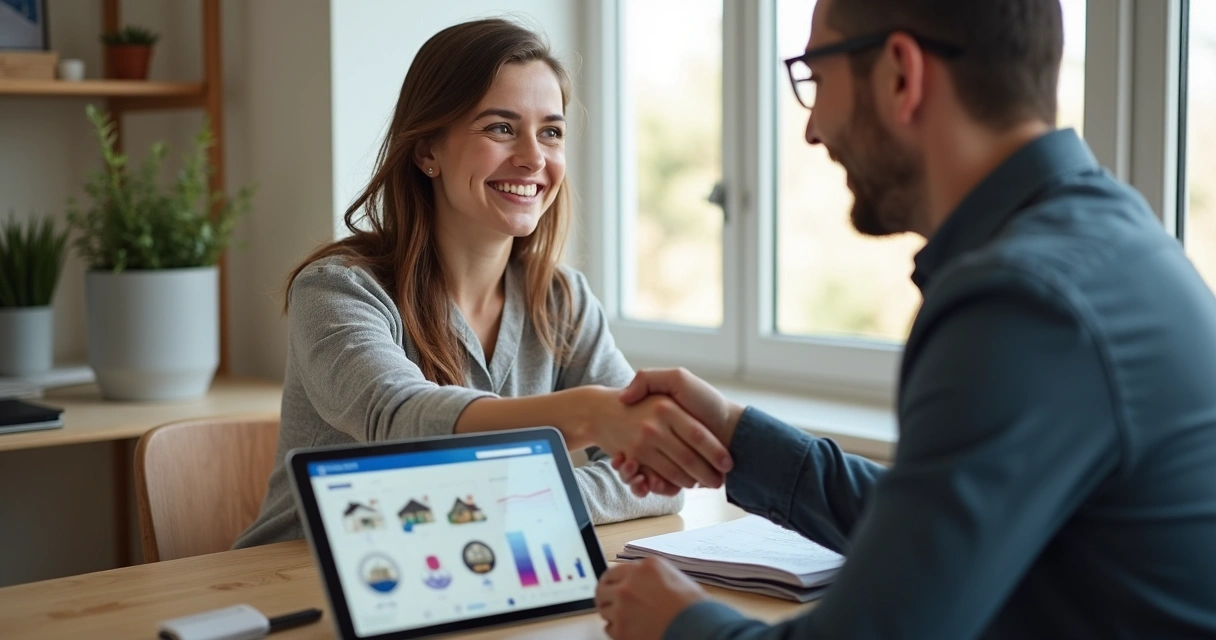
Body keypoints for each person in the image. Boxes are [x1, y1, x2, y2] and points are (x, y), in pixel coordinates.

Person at [595, 0, 1216, 638]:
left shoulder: (1022, 303)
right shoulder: (1107, 240)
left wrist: (682, 623)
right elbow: (930, 535)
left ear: (900, 74)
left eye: (817, 77)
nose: (812, 129)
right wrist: (734, 437)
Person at [235, 19, 733, 549]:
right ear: (427, 151)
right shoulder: (336, 291)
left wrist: (513, 500)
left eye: (551, 132)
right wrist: (588, 415)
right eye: (500, 128)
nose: (534, 158)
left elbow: (655, 481)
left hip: (459, 569)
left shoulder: (561, 301)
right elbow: (398, 419)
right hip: (300, 575)